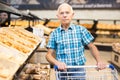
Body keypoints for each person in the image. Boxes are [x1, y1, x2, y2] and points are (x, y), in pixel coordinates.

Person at [46, 3, 106, 80]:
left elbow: (92, 46)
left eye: (67, 13)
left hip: (79, 70)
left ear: (72, 15)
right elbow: (48, 55)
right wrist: (57, 63)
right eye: (61, 13)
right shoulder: (54, 33)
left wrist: (99, 61)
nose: (64, 15)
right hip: (62, 71)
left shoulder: (81, 30)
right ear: (58, 16)